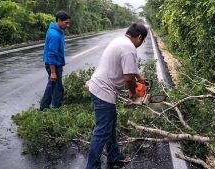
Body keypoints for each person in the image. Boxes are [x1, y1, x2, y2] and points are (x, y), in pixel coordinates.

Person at [85, 23, 148, 169]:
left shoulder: (120, 41)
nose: (141, 43)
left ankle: (113, 155)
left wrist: (140, 78)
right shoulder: (129, 48)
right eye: (142, 40)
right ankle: (92, 166)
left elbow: (130, 69)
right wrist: (134, 93)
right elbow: (128, 78)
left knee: (110, 125)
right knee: (102, 131)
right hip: (103, 91)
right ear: (139, 37)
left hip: (102, 88)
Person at [40, 11, 71, 111]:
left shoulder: (57, 30)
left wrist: (60, 64)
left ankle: (46, 107)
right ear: (59, 21)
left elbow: (57, 52)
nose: (68, 25)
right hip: (52, 65)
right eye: (66, 23)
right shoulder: (55, 35)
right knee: (56, 87)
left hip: (55, 64)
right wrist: (53, 72)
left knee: (54, 85)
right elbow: (51, 54)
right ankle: (55, 108)